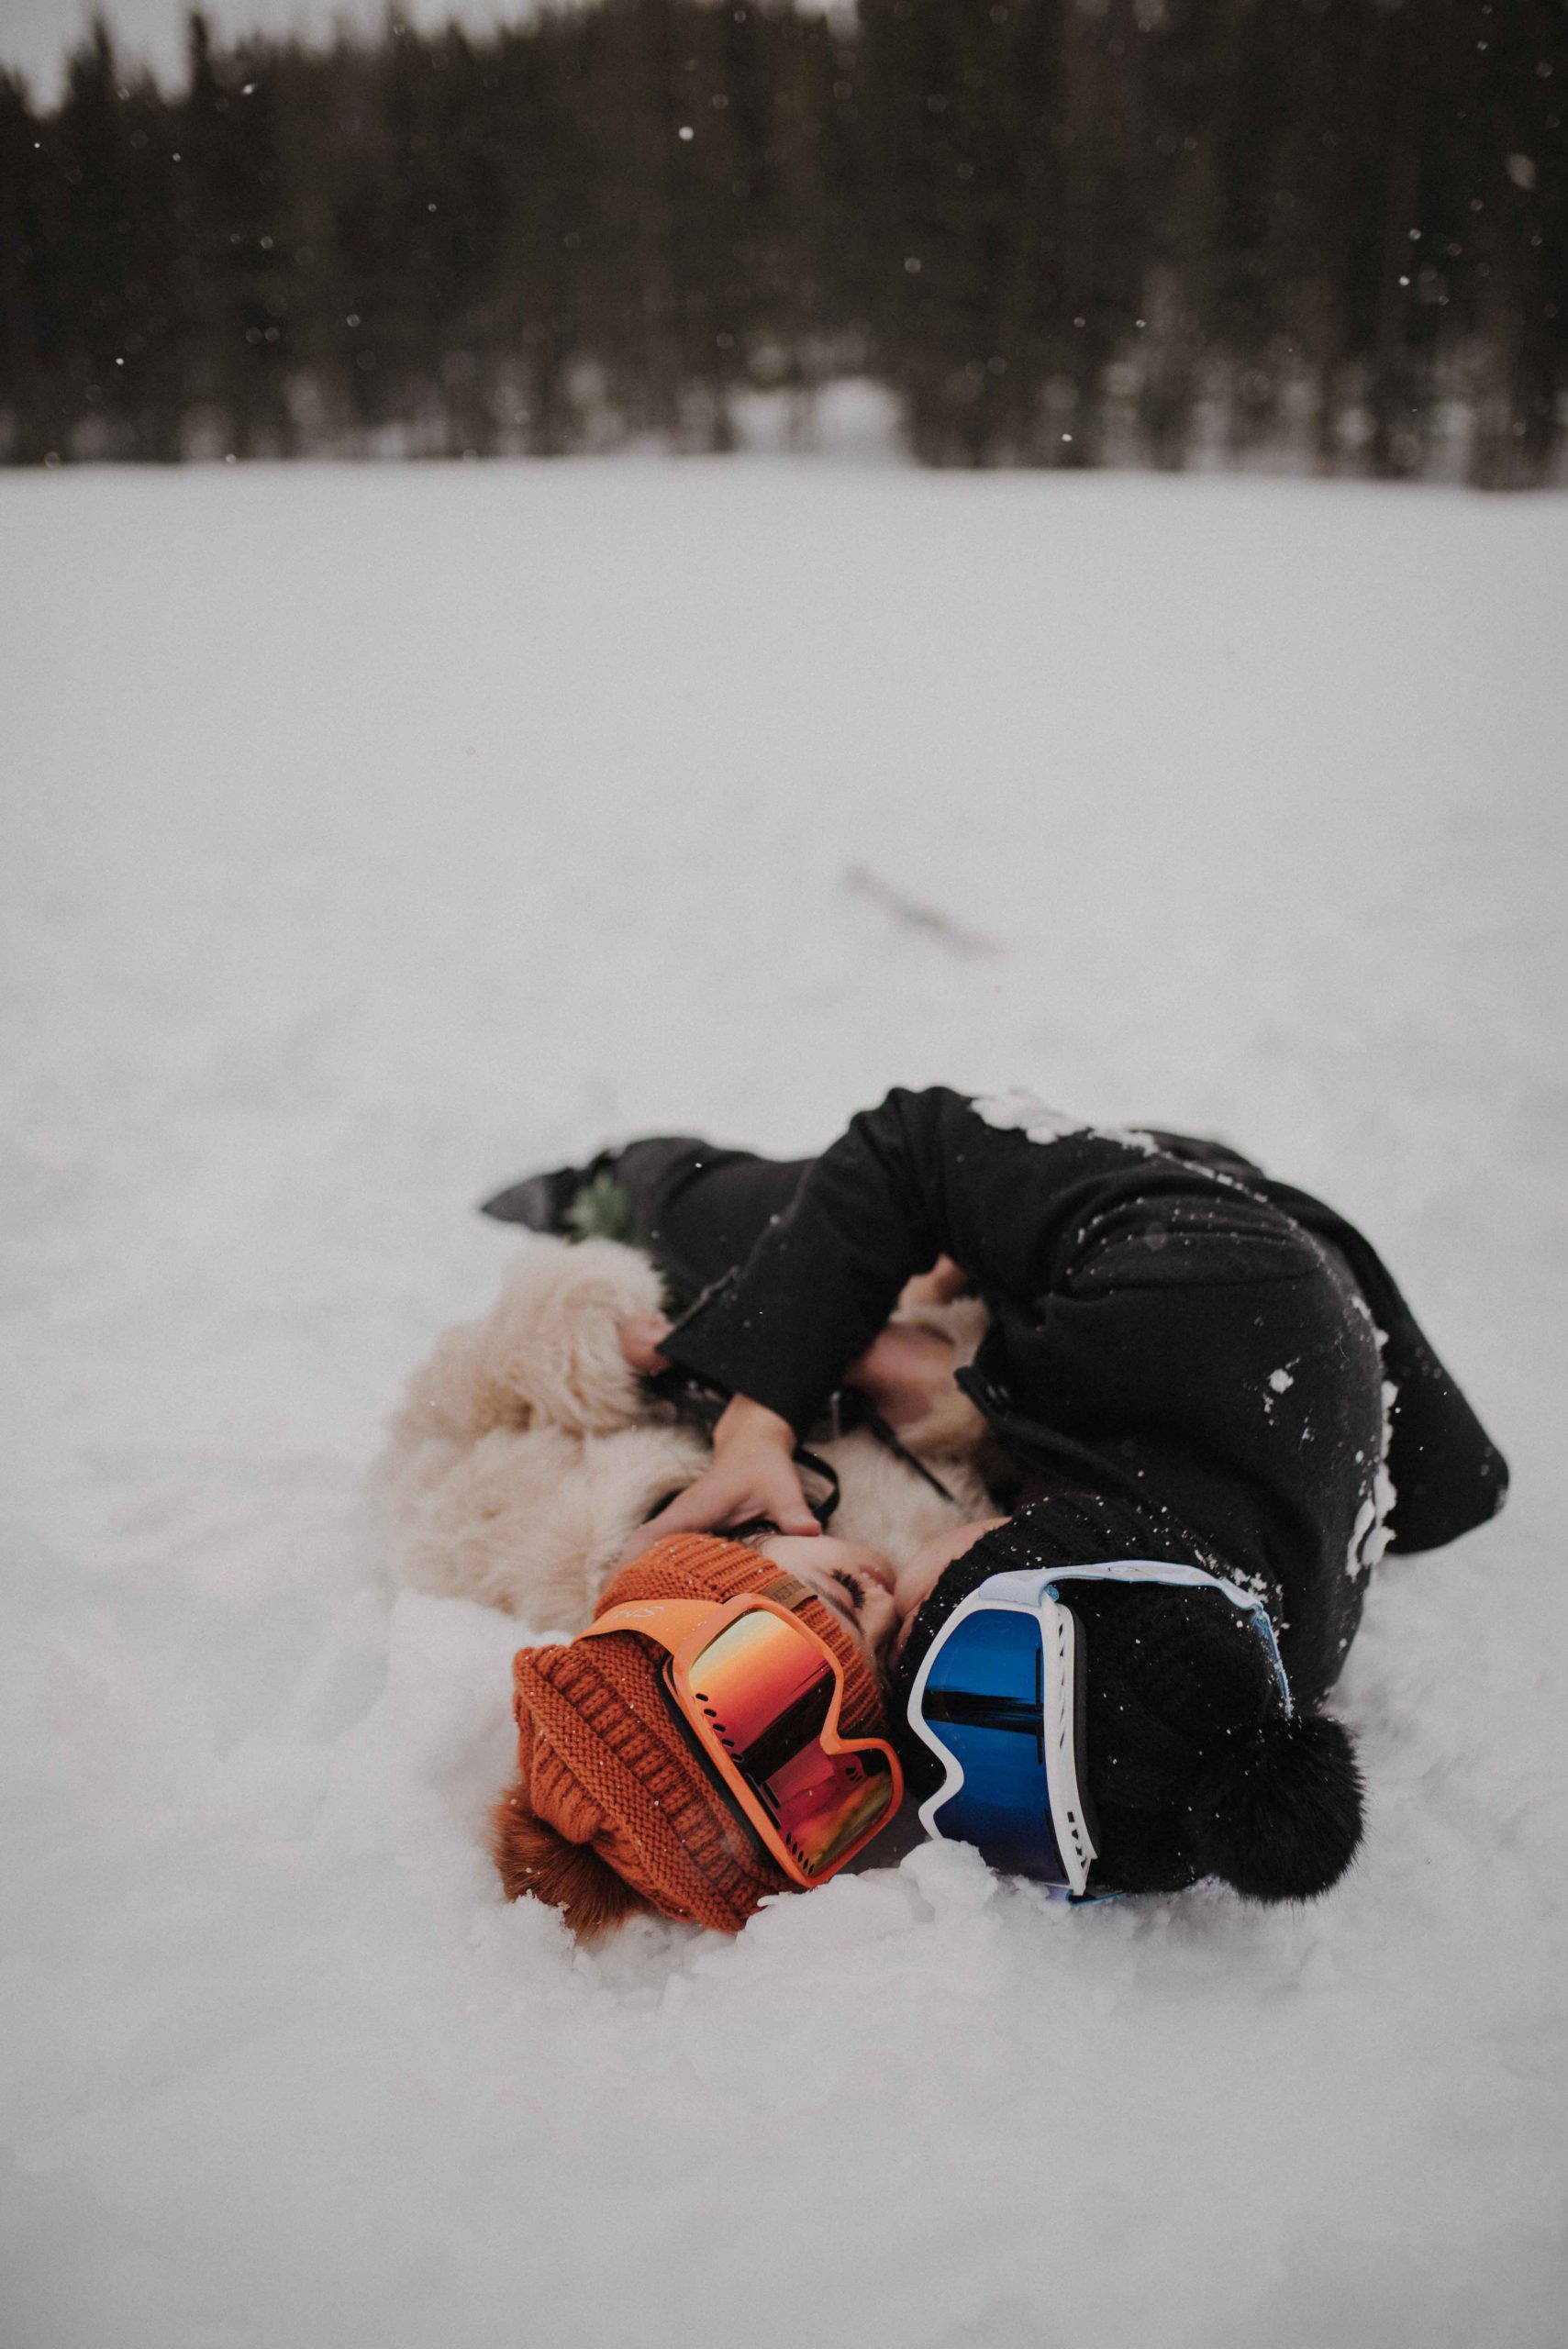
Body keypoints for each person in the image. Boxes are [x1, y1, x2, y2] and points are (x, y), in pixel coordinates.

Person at [486, 1085, 1507, 1909]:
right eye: (914, 1623)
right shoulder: (1205, 1304)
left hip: (1151, 1382)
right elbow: (911, 1145)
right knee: (758, 1227)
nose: (888, 1592)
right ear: (1044, 1539)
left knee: (839, 1312)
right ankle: (610, 1186)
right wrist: (760, 1413)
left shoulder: (1211, 1692)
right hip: (1173, 1230)